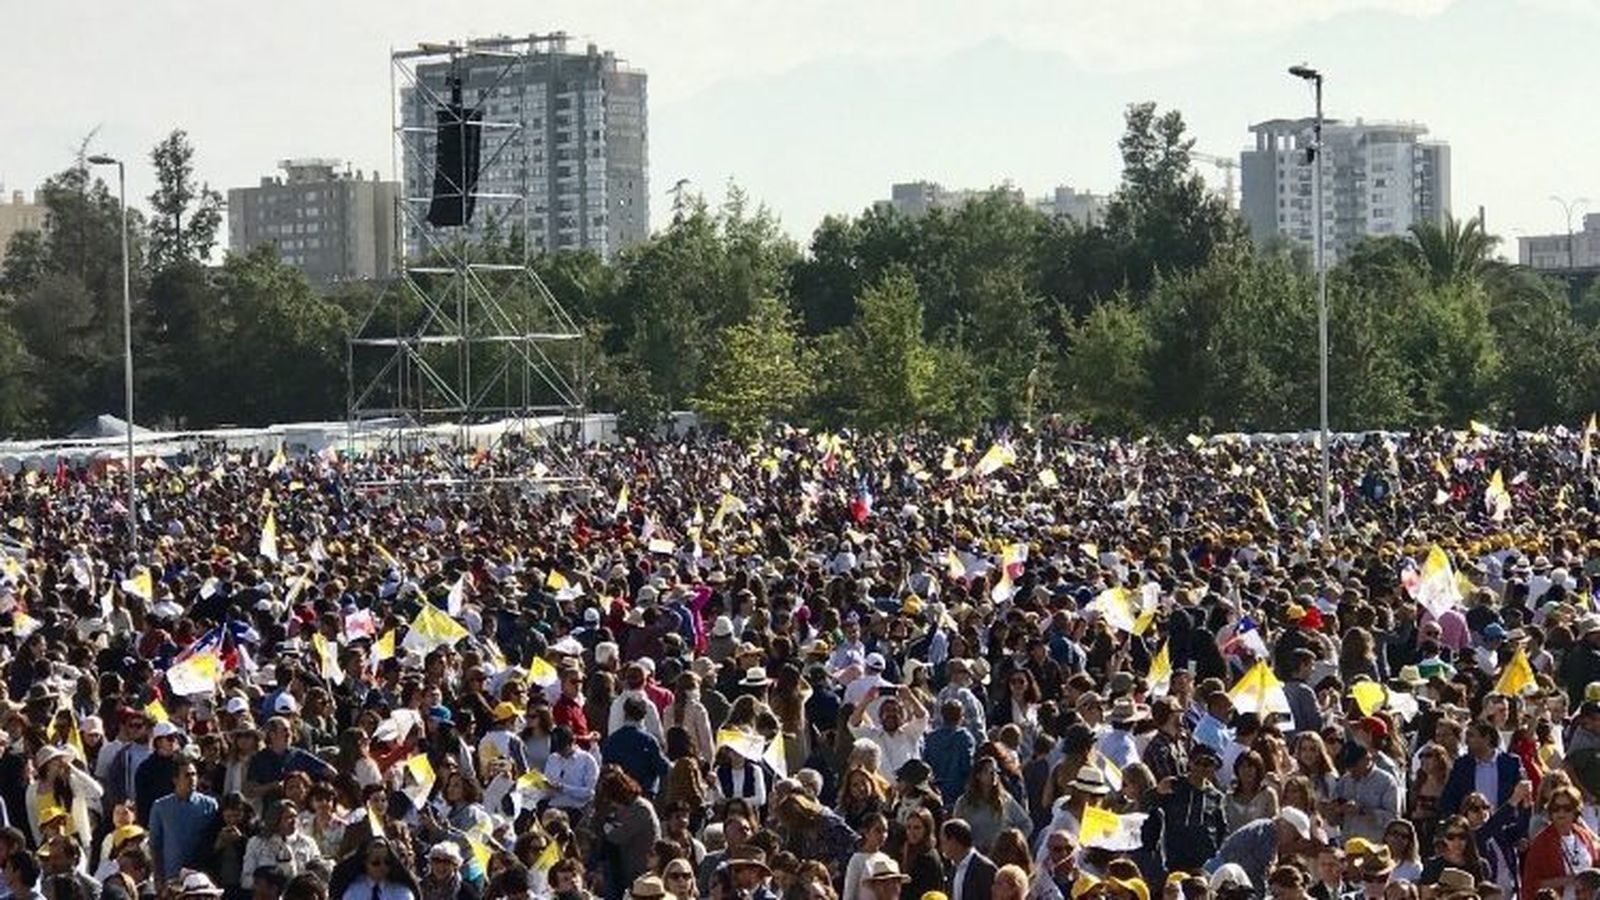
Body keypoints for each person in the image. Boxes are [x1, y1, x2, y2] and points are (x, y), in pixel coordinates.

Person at [1144, 743, 1228, 878]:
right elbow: (1146, 803)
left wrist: (1214, 852)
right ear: (1190, 763)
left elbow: (1221, 829)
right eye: (1198, 762)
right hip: (1175, 860)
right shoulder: (1174, 785)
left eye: (1208, 764)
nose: (1202, 767)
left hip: (1203, 862)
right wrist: (1158, 792)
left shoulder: (1216, 796)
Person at [148, 759, 220, 882]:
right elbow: (155, 845)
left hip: (201, 877)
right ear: (175, 779)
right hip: (172, 876)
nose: (192, 779)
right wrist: (158, 879)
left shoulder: (210, 805)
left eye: (194, 774)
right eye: (187, 775)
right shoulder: (161, 807)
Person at [1523, 786, 1600, 896]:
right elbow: (1530, 884)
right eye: (1555, 808)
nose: (1561, 812)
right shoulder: (1541, 843)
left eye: (1567, 808)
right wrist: (1569, 880)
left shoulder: (1584, 836)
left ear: (1575, 810)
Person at [1438, 723, 1525, 817]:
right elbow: (1449, 797)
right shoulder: (1462, 765)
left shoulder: (1511, 763)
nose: (1466, 741)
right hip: (1472, 826)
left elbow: (1523, 797)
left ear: (1487, 738)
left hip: (1504, 824)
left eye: (1471, 736)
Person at [601, 699, 671, 797]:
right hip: (645, 792)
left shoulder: (612, 739)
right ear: (643, 716)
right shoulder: (648, 740)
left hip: (619, 795)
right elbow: (663, 767)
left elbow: (606, 766)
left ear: (625, 714)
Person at [941, 820, 996, 900]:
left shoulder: (984, 868)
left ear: (954, 841)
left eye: (944, 842)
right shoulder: (953, 869)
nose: (942, 847)